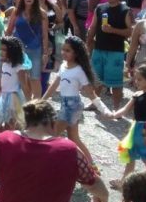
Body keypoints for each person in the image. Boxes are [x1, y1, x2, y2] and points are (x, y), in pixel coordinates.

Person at [42, 36, 111, 170]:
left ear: (76, 53)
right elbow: (54, 85)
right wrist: (41, 101)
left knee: (52, 134)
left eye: (68, 50)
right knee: (74, 138)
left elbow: (91, 93)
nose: (64, 53)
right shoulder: (63, 66)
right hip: (66, 104)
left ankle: (49, 164)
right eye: (63, 49)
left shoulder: (79, 71)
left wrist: (104, 110)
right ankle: (91, 166)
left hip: (72, 107)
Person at [110, 65, 146, 190]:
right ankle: (124, 182)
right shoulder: (137, 94)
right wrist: (113, 114)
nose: (136, 81)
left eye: (139, 79)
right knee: (131, 156)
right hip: (136, 128)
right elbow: (125, 109)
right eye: (135, 79)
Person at [87, 0, 133, 109]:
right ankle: (95, 103)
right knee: (96, 79)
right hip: (99, 48)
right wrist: (88, 42)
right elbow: (93, 26)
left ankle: (116, 108)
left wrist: (113, 30)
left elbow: (130, 32)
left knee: (116, 82)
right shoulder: (100, 8)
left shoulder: (125, 10)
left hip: (116, 51)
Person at [6, 0, 48, 100]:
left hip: (35, 49)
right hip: (19, 50)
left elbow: (45, 35)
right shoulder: (16, 12)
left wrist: (45, 53)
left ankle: (37, 103)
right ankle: (27, 102)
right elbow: (9, 31)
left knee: (35, 78)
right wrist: (5, 48)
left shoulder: (42, 13)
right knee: (22, 79)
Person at [0, 36, 31, 130]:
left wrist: (30, 103)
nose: (0, 52)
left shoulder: (19, 68)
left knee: (13, 123)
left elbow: (24, 85)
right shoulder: (4, 65)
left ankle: (13, 138)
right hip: (3, 97)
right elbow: (0, 83)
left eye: (4, 50)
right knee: (2, 123)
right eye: (0, 49)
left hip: (13, 99)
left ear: (12, 52)